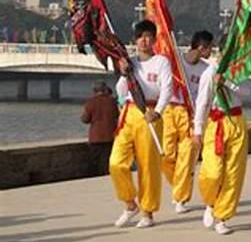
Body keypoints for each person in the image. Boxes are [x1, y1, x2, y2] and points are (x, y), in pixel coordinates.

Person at [110, 20, 172, 228]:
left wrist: (158, 111)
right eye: (140, 37)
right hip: (129, 113)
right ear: (135, 40)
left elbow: (167, 89)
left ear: (154, 39)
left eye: (148, 36)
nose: (144, 40)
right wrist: (124, 72)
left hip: (150, 114)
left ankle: (148, 212)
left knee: (148, 166)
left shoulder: (161, 62)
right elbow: (120, 90)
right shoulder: (130, 62)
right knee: (116, 162)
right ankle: (130, 204)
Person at [193, 49, 250, 235]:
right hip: (216, 124)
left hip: (236, 122)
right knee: (213, 172)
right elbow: (202, 102)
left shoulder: (239, 71)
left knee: (233, 172)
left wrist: (227, 83)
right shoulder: (209, 73)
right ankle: (211, 202)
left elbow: (246, 92)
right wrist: (198, 129)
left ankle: (223, 217)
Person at [162, 30, 214, 214]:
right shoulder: (175, 62)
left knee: (186, 157)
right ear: (201, 47)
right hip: (170, 111)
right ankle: (180, 183)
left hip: (191, 115)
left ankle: (180, 198)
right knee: (166, 156)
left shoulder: (206, 70)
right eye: (209, 48)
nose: (211, 52)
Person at [81, 82, 119, 176]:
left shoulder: (91, 102)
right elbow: (116, 115)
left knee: (94, 160)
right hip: (110, 135)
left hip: (95, 137)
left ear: (95, 91)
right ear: (105, 90)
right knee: (108, 159)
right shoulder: (112, 101)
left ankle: (93, 176)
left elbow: (85, 119)